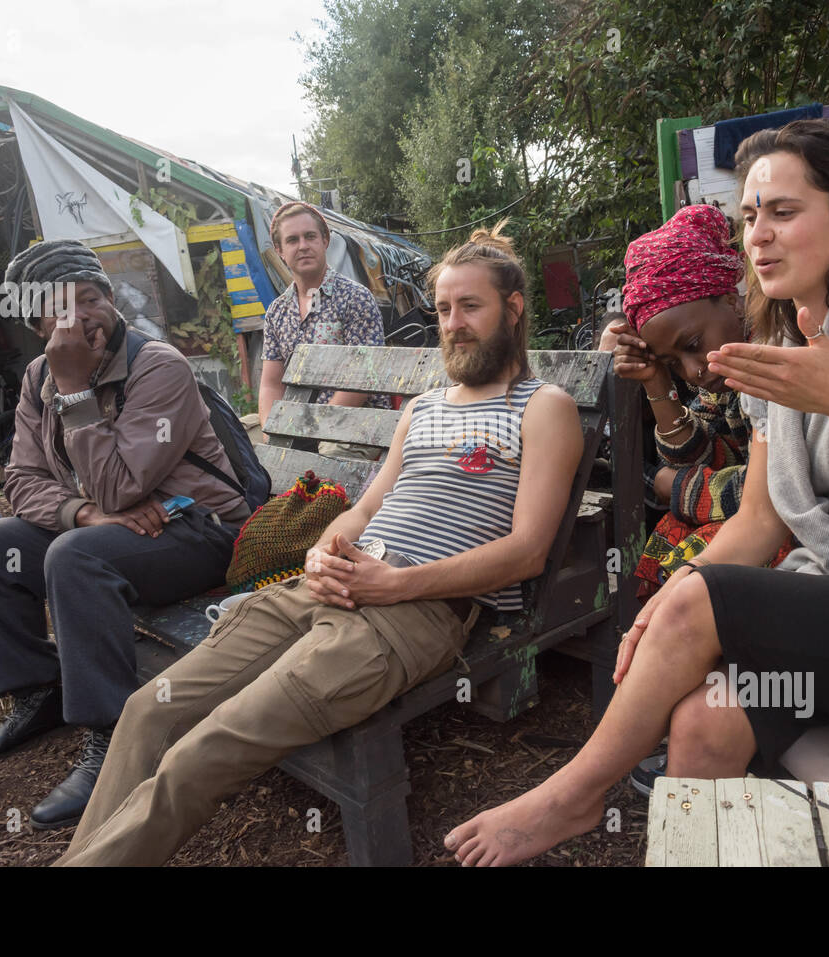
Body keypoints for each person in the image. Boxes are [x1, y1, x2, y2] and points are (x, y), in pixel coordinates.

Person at [444, 118, 829, 866]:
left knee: (700, 602)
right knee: (705, 722)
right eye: (748, 217)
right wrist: (670, 600)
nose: (758, 236)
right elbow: (760, 519)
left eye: (782, 211)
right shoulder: (783, 352)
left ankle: (577, 793)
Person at [53, 222, 583, 866]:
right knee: (146, 711)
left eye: (470, 306)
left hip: (414, 612)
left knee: (209, 744)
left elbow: (527, 551)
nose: (453, 323)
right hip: (329, 587)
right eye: (444, 308)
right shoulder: (423, 409)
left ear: (514, 308)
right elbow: (361, 510)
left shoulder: (542, 406)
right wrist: (321, 552)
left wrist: (394, 584)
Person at [0, 240, 251, 830]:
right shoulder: (39, 376)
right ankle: (38, 692)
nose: (81, 317)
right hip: (117, 530)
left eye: (92, 299)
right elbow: (20, 480)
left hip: (203, 531)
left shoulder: (157, 365)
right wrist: (86, 514)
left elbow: (119, 485)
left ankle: (114, 737)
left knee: (76, 559)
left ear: (113, 300)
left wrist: (75, 391)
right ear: (38, 325)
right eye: (61, 309)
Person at [601, 204, 791, 603]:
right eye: (673, 362)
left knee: (695, 553)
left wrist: (678, 487)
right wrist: (657, 381)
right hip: (758, 524)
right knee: (670, 537)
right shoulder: (724, 375)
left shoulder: (778, 360)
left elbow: (776, 491)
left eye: (691, 346)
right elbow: (705, 459)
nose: (694, 370)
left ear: (730, 299)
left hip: (799, 533)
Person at [257, 201, 389, 457]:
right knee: (237, 442)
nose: (303, 246)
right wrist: (272, 431)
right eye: (292, 240)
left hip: (356, 423)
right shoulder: (277, 312)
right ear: (280, 250)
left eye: (310, 237)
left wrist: (313, 432)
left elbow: (359, 383)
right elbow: (271, 384)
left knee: (326, 462)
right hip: (299, 425)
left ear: (325, 241)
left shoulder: (355, 298)